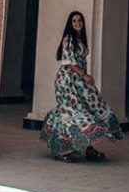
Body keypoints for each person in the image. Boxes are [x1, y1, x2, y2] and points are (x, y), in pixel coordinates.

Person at [41, 10, 124, 162]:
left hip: (78, 80)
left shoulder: (80, 39)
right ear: (70, 24)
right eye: (74, 21)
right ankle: (63, 151)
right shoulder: (69, 38)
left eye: (80, 20)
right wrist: (84, 75)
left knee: (90, 108)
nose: (78, 23)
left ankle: (88, 148)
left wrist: (83, 78)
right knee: (71, 113)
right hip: (67, 81)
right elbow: (69, 62)